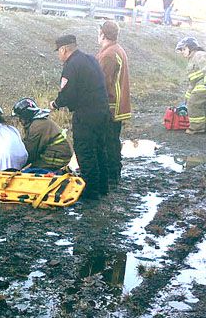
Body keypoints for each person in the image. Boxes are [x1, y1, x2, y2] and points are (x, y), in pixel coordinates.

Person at [50, 34, 110, 200]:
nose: (58, 55)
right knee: (100, 149)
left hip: (86, 115)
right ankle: (103, 187)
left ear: (64, 49)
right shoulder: (90, 59)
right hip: (102, 111)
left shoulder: (71, 65)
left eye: (58, 51)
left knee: (85, 152)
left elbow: (67, 93)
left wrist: (54, 104)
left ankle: (90, 193)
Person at [96, 21, 131, 183]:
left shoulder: (108, 54)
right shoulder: (117, 50)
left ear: (103, 34)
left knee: (108, 141)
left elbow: (101, 82)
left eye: (99, 32)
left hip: (110, 105)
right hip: (116, 105)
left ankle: (111, 175)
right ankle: (114, 173)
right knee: (113, 140)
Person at [175, 37, 206, 134]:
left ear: (191, 48)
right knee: (202, 105)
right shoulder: (192, 60)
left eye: (184, 49)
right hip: (204, 86)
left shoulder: (200, 55)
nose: (182, 52)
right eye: (181, 50)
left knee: (193, 105)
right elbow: (193, 82)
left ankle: (196, 128)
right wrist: (187, 97)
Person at [12, 98, 72, 171]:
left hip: (57, 158)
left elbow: (30, 152)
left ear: (26, 116)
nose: (19, 121)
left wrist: (15, 167)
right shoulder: (38, 122)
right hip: (56, 154)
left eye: (20, 117)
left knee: (30, 173)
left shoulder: (37, 126)